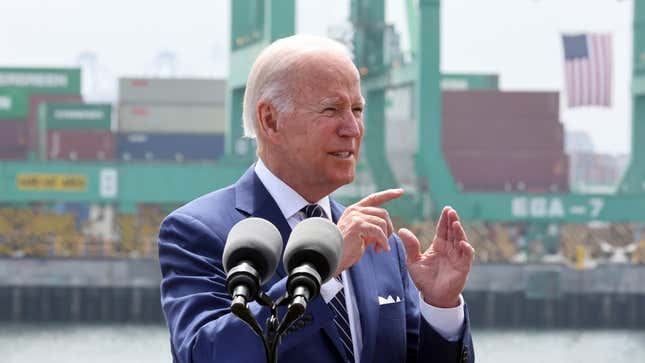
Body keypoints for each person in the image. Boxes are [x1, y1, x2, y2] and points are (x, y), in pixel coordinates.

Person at [158, 34, 475, 363]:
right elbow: (204, 355)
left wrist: (440, 307)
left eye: (357, 109)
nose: (352, 128)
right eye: (332, 109)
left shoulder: (380, 245)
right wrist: (323, 268)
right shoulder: (198, 231)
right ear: (270, 120)